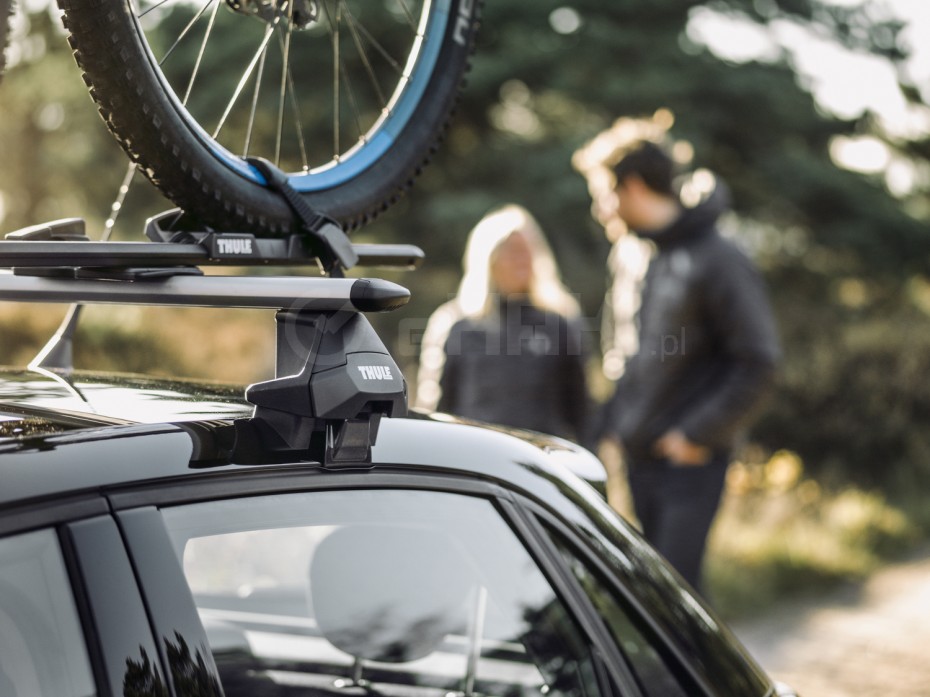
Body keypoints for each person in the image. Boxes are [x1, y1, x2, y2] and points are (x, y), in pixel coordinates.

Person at [579, 116, 781, 593]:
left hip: (689, 462)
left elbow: (759, 361)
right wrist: (611, 422)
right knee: (653, 597)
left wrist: (694, 435)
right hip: (637, 457)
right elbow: (621, 350)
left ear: (631, 186)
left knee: (678, 596)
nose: (599, 209)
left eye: (602, 194)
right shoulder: (629, 255)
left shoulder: (719, 257)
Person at [416, 204, 589, 442]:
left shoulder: (558, 322)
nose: (523, 260)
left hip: (539, 453)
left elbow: (580, 407)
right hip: (477, 452)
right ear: (489, 259)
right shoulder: (456, 324)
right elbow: (435, 407)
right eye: (513, 251)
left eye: (528, 251)